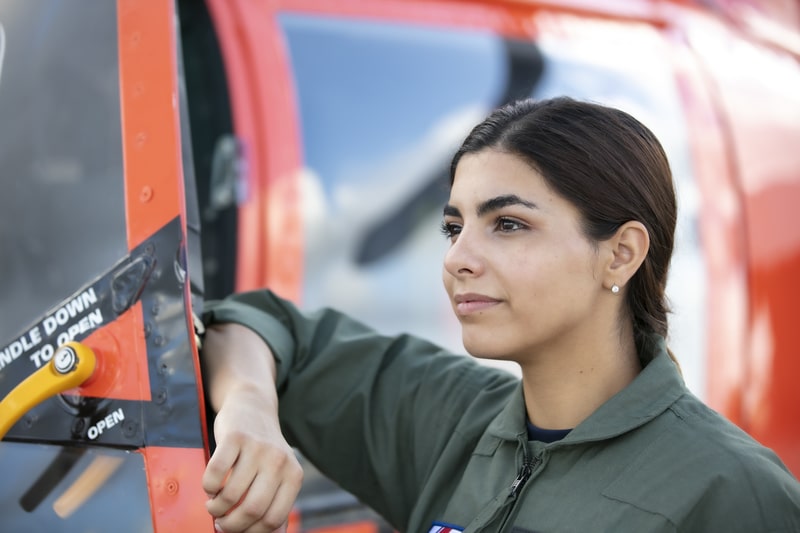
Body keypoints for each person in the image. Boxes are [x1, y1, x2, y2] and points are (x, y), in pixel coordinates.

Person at [198, 97, 800, 533]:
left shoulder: (730, 491)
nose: (458, 258)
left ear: (621, 254)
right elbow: (254, 326)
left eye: (508, 224)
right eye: (454, 227)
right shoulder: (452, 417)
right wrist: (249, 407)